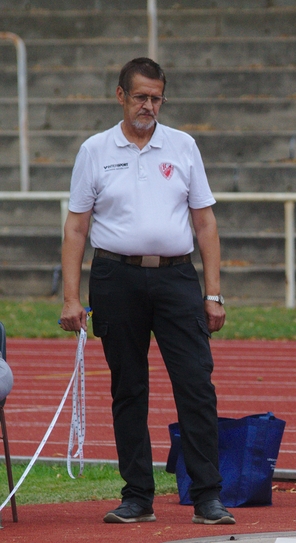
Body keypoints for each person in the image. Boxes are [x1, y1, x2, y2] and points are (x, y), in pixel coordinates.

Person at [59, 58, 235, 526]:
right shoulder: (95, 150)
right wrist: (71, 298)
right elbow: (76, 227)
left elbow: (205, 222)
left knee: (196, 384)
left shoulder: (183, 145)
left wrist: (213, 293)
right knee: (129, 388)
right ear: (120, 96)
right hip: (116, 277)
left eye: (157, 98)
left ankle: (207, 496)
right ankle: (137, 496)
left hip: (177, 279)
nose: (149, 106)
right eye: (140, 97)